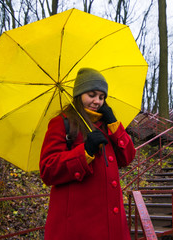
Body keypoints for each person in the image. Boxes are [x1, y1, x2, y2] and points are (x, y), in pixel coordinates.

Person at [39, 68, 136, 240]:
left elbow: (127, 157)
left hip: (112, 225)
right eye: (91, 95)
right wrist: (85, 152)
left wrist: (113, 124)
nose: (97, 101)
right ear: (79, 94)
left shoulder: (105, 124)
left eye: (101, 97)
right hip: (79, 227)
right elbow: (48, 169)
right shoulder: (62, 123)